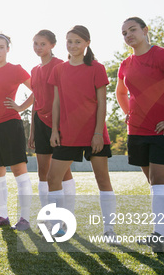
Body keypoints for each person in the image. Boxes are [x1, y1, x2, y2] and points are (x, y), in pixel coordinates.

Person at [116, 17, 164, 253]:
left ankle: (159, 235)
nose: (128, 35)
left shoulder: (161, 54)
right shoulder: (125, 63)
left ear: (145, 31)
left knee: (159, 182)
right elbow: (120, 92)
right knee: (155, 184)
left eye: (133, 30)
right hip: (137, 131)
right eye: (124, 32)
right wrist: (128, 113)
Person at [48, 25, 117, 241]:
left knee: (102, 179)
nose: (73, 45)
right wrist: (54, 131)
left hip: (93, 134)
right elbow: (56, 102)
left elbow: (102, 102)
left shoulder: (97, 68)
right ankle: (60, 227)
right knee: (52, 178)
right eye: (69, 41)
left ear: (87, 43)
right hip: (67, 134)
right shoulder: (59, 69)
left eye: (78, 41)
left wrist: (98, 132)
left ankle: (109, 230)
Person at [0, 33, 34, 231]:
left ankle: (25, 218)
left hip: (11, 125)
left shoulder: (16, 70)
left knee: (19, 172)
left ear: (8, 49)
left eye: (1, 47)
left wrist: (20, 107)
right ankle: (2, 216)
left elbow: (38, 89)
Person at [28, 30, 73, 210]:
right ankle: (47, 215)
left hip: (59, 123)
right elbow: (35, 100)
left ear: (52, 45)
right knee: (42, 171)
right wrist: (32, 131)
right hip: (40, 123)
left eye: (43, 44)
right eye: (36, 44)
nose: (39, 48)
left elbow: (65, 97)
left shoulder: (61, 65)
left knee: (62, 172)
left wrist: (59, 127)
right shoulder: (34, 70)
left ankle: (68, 213)